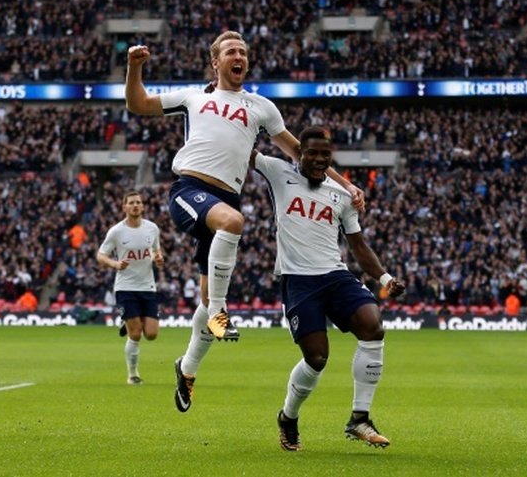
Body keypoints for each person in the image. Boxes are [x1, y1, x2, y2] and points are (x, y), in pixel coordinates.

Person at [124, 32, 364, 412]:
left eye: (243, 52)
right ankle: (221, 312)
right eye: (230, 52)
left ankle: (186, 369)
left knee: (205, 297)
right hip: (190, 190)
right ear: (214, 62)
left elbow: (301, 154)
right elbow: (138, 104)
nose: (239, 56)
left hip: (225, 199)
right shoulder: (194, 97)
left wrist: (346, 184)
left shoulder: (261, 108)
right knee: (234, 224)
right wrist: (135, 67)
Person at [251, 126, 405, 451]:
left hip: (335, 275)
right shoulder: (278, 172)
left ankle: (359, 418)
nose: (319, 159)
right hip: (298, 280)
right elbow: (238, 149)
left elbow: (359, 246)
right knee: (317, 358)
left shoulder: (343, 194)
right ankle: (288, 417)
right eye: (313, 153)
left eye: (325, 154)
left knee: (373, 326)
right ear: (299, 153)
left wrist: (386, 278)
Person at [96, 190, 164, 385]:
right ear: (124, 207)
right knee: (135, 334)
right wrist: (116, 264)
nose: (135, 205)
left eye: (138, 202)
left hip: (148, 286)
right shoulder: (116, 231)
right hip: (125, 287)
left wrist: (158, 259)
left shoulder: (152, 229)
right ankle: (132, 374)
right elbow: (101, 255)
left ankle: (127, 321)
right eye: (132, 203)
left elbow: (155, 251)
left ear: (142, 206)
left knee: (151, 334)